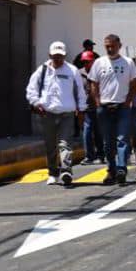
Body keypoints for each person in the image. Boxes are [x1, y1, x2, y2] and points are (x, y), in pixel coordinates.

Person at [26, 41, 87, 185]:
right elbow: (31, 89)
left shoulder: (72, 70)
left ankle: (66, 171)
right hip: (48, 113)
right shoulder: (42, 70)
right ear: (49, 55)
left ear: (64, 55)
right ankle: (53, 173)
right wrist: (36, 103)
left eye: (60, 56)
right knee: (50, 144)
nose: (57, 59)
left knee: (65, 143)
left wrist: (82, 109)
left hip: (67, 113)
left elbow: (80, 92)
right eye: (55, 56)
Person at [88, 34, 136, 185]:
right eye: (107, 46)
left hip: (122, 108)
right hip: (104, 108)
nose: (110, 49)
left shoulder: (128, 63)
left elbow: (134, 83)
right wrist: (97, 102)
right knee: (108, 142)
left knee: (122, 139)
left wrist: (128, 101)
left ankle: (122, 168)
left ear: (119, 45)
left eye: (112, 46)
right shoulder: (99, 63)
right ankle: (111, 170)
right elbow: (93, 83)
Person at [78, 50, 104, 165]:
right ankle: (89, 156)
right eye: (84, 62)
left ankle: (101, 155)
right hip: (85, 108)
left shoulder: (99, 73)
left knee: (98, 132)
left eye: (88, 61)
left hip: (98, 107)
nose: (86, 64)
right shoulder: (79, 74)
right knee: (87, 132)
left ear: (93, 61)